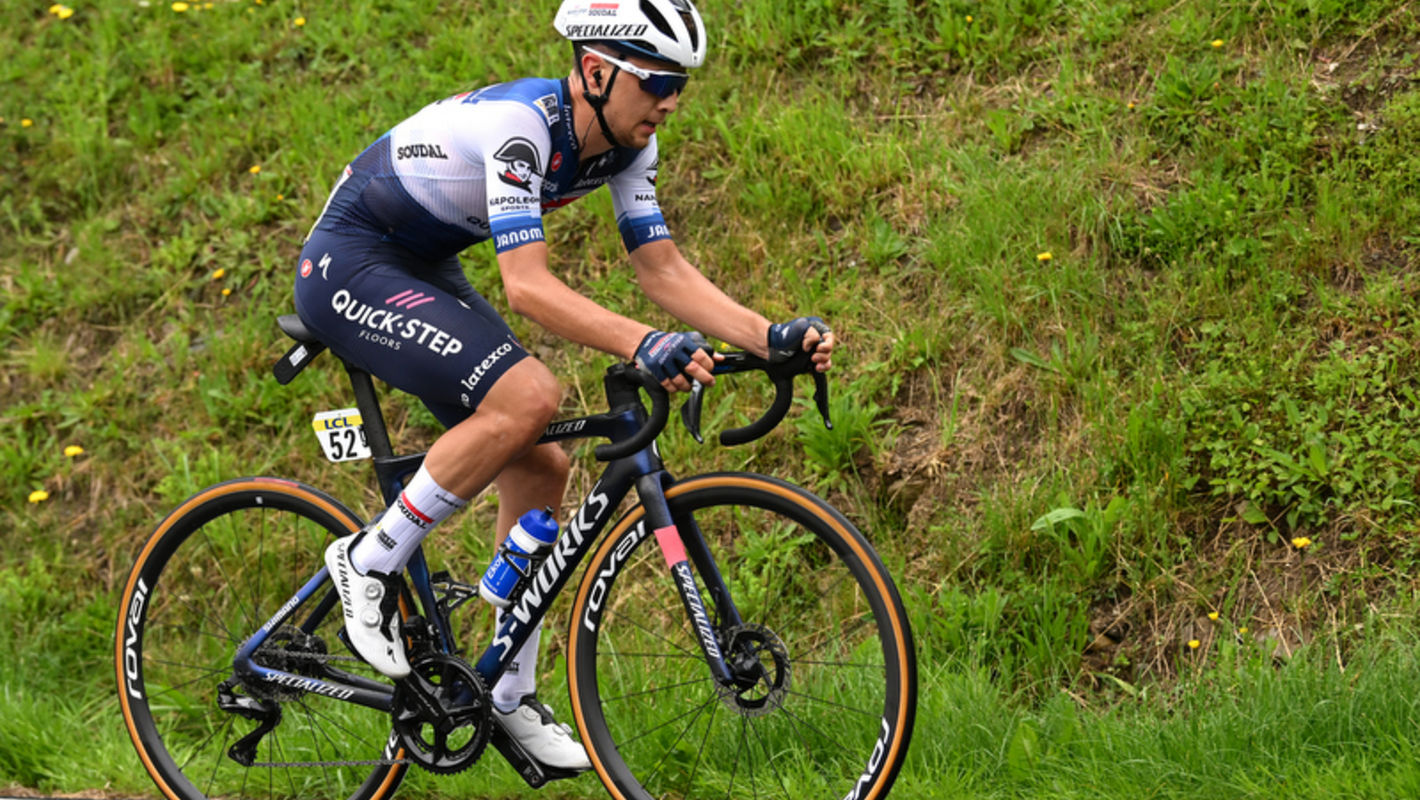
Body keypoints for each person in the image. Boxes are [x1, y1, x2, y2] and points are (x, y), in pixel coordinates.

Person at [291, 0, 834, 771]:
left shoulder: (628, 147)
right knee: (530, 397)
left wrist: (766, 336)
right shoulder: (524, 130)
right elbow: (528, 287)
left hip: (421, 263)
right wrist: (644, 343)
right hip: (350, 260)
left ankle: (507, 697)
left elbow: (662, 269)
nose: (670, 101)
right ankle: (370, 560)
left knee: (542, 465)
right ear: (596, 71)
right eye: (656, 82)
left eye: (680, 84)